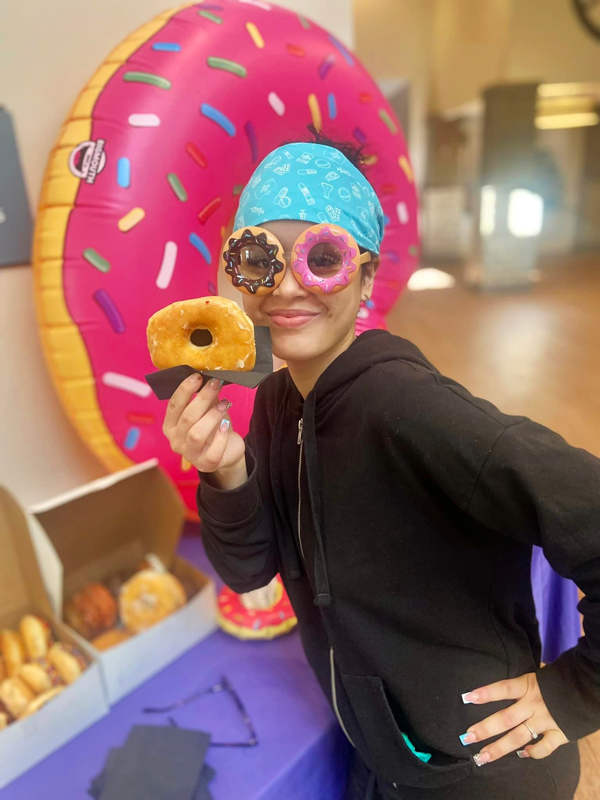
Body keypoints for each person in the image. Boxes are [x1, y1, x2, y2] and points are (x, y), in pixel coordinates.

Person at [162, 130, 599, 799]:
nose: (286, 289)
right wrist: (226, 471)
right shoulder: (279, 404)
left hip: (481, 775)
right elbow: (250, 568)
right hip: (389, 759)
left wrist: (577, 693)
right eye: (260, 257)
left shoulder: (412, 412)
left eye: (323, 256)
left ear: (365, 274)